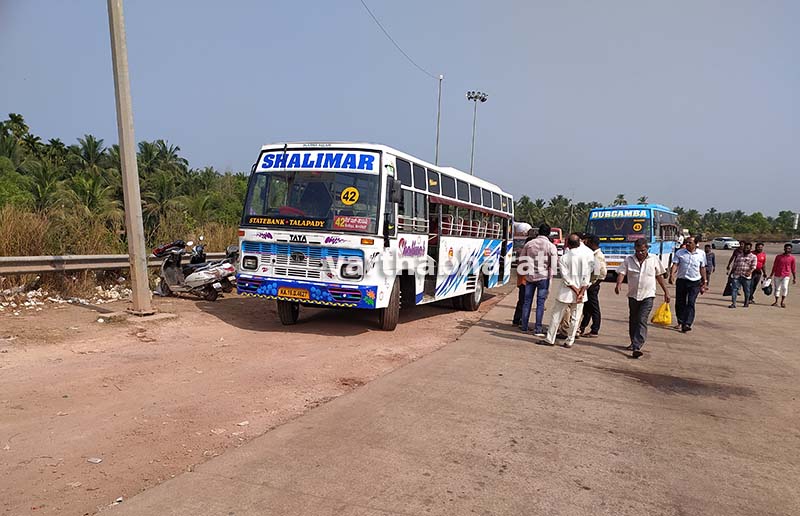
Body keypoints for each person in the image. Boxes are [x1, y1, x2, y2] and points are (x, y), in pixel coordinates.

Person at [615, 238, 671, 359]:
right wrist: (618, 284)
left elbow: (659, 276)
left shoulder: (654, 259)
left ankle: (637, 346)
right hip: (633, 295)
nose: (640, 253)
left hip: (648, 295)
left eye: (642, 251)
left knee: (641, 319)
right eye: (637, 251)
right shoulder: (629, 260)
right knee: (633, 319)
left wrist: (666, 291)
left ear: (647, 249)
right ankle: (633, 341)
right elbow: (622, 273)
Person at [541, 234, 593, 348]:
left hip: (566, 292)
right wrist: (581, 292)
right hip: (581, 293)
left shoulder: (565, 258)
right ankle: (570, 341)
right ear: (579, 242)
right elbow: (587, 277)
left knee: (556, 316)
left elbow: (566, 278)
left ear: (568, 244)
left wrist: (576, 290)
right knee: (576, 317)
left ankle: (550, 339)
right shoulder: (586, 257)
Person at [518, 224, 558, 336]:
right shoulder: (551, 246)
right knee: (540, 304)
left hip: (530, 277)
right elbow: (554, 266)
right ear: (549, 233)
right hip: (543, 277)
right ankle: (538, 329)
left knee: (527, 302)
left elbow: (521, 260)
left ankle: (524, 327)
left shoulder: (529, 244)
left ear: (538, 232)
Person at [669, 237, 707, 332]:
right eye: (686, 242)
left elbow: (702, 268)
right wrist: (672, 275)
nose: (687, 244)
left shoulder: (701, 254)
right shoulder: (680, 253)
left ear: (695, 244)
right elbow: (675, 264)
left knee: (690, 302)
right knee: (680, 302)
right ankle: (681, 321)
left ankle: (687, 323)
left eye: (690, 242)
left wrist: (705, 281)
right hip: (682, 281)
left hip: (695, 282)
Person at [579, 234, 607, 337]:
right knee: (587, 308)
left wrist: (592, 285)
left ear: (591, 242)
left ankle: (595, 329)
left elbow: (601, 273)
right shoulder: (592, 254)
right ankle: (582, 326)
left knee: (593, 308)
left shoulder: (597, 256)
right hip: (590, 284)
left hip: (592, 285)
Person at [512, 229, 537, 326]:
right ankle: (520, 320)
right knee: (524, 302)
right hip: (525, 281)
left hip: (524, 281)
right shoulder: (525, 254)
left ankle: (518, 319)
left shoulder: (524, 253)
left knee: (522, 301)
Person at [727, 242, 757, 308]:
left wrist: (750, 272)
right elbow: (735, 265)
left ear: (750, 248)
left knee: (746, 290)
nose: (746, 249)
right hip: (737, 275)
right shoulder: (739, 255)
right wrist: (731, 273)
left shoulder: (753, 257)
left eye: (747, 248)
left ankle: (746, 302)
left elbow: (754, 266)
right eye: (745, 248)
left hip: (746, 276)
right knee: (734, 289)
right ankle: (733, 303)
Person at [770, 243, 797, 308]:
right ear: (784, 249)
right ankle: (776, 301)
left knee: (785, 287)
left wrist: (794, 277)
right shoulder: (778, 257)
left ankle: (782, 302)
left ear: (791, 250)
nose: (788, 250)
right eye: (787, 248)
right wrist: (771, 275)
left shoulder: (792, 258)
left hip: (786, 275)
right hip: (777, 274)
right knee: (777, 288)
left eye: (789, 249)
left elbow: (793, 268)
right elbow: (775, 266)